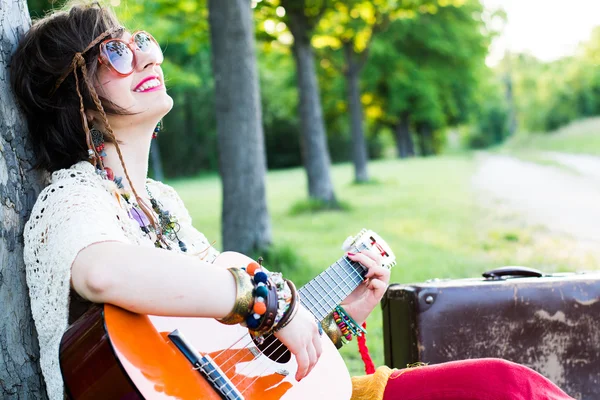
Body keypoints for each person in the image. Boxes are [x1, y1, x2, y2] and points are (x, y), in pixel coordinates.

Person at [10, 3, 574, 400]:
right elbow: (104, 272)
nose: (145, 56)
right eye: (114, 51)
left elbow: (241, 362)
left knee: (507, 386)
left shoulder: (163, 205)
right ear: (75, 95)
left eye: (142, 43)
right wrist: (270, 302)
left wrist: (341, 316)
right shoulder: (73, 196)